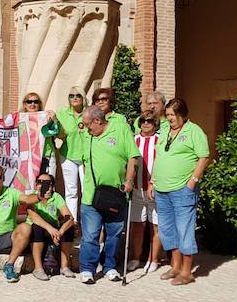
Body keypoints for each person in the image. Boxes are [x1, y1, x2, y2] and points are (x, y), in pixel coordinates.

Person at [151, 98, 210, 286]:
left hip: (182, 189)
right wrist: (152, 180)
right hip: (162, 189)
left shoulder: (194, 131)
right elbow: (159, 155)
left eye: (172, 115)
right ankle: (175, 266)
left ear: (182, 114)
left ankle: (187, 271)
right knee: (167, 229)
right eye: (167, 115)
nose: (169, 119)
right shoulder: (165, 131)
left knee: (184, 229)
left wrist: (192, 182)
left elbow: (204, 157)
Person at [79, 105, 140, 284]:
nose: (86, 129)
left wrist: (129, 180)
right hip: (92, 194)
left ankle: (109, 266)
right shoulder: (86, 135)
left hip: (116, 193)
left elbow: (133, 157)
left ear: (98, 121)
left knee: (114, 233)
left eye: (88, 125)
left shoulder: (121, 129)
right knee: (90, 234)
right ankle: (87, 269)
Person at [127, 111, 163, 273]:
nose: (145, 123)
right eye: (142, 120)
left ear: (155, 123)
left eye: (149, 121)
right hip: (136, 190)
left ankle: (153, 259)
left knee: (155, 226)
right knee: (137, 225)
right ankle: (135, 258)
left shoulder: (160, 140)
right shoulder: (133, 140)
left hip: (154, 189)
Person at [27, 172, 76, 280]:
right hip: (38, 232)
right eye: (40, 182)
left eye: (47, 183)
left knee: (69, 228)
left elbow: (69, 217)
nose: (43, 185)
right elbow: (33, 217)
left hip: (53, 233)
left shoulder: (56, 197)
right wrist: (50, 229)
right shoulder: (32, 197)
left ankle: (64, 266)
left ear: (52, 187)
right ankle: (38, 268)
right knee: (37, 227)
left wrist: (61, 231)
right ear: (36, 185)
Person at [56, 86, 87, 221]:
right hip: (68, 155)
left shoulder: (90, 112)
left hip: (87, 157)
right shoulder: (62, 113)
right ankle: (72, 225)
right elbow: (55, 131)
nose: (74, 98)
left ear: (83, 97)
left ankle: (88, 226)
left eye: (78, 95)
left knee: (87, 191)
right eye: (71, 95)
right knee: (71, 192)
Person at [22, 92, 56, 175]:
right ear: (25, 104)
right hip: (27, 157)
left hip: (45, 155)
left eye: (36, 101)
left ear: (39, 104)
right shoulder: (19, 118)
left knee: (46, 184)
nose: (32, 104)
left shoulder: (47, 116)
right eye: (29, 102)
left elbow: (55, 132)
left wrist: (54, 120)